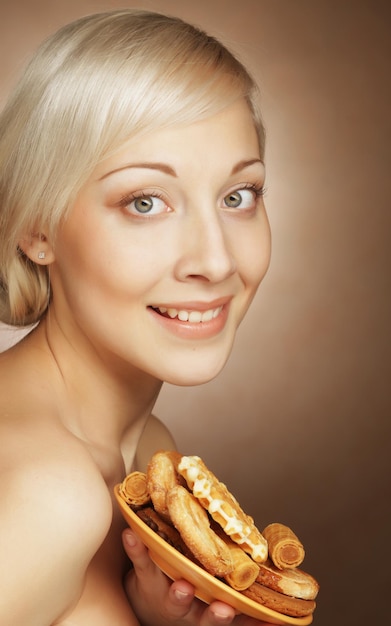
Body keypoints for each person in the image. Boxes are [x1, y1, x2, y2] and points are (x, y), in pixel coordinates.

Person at [0, 8, 272, 626]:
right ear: (34, 228)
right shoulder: (46, 495)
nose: (215, 259)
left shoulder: (150, 453)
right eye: (144, 201)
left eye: (238, 196)